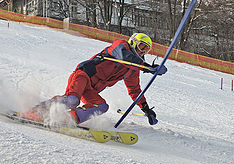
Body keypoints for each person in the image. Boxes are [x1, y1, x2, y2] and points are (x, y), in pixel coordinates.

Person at [22, 33, 167, 126]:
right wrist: (147, 67)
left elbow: (135, 91)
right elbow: (124, 57)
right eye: (142, 46)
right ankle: (36, 110)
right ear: (133, 42)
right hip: (83, 75)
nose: (142, 52)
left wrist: (147, 110)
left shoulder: (134, 69)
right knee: (72, 100)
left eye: (146, 50)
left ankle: (69, 119)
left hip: (91, 89)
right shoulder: (120, 46)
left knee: (102, 106)